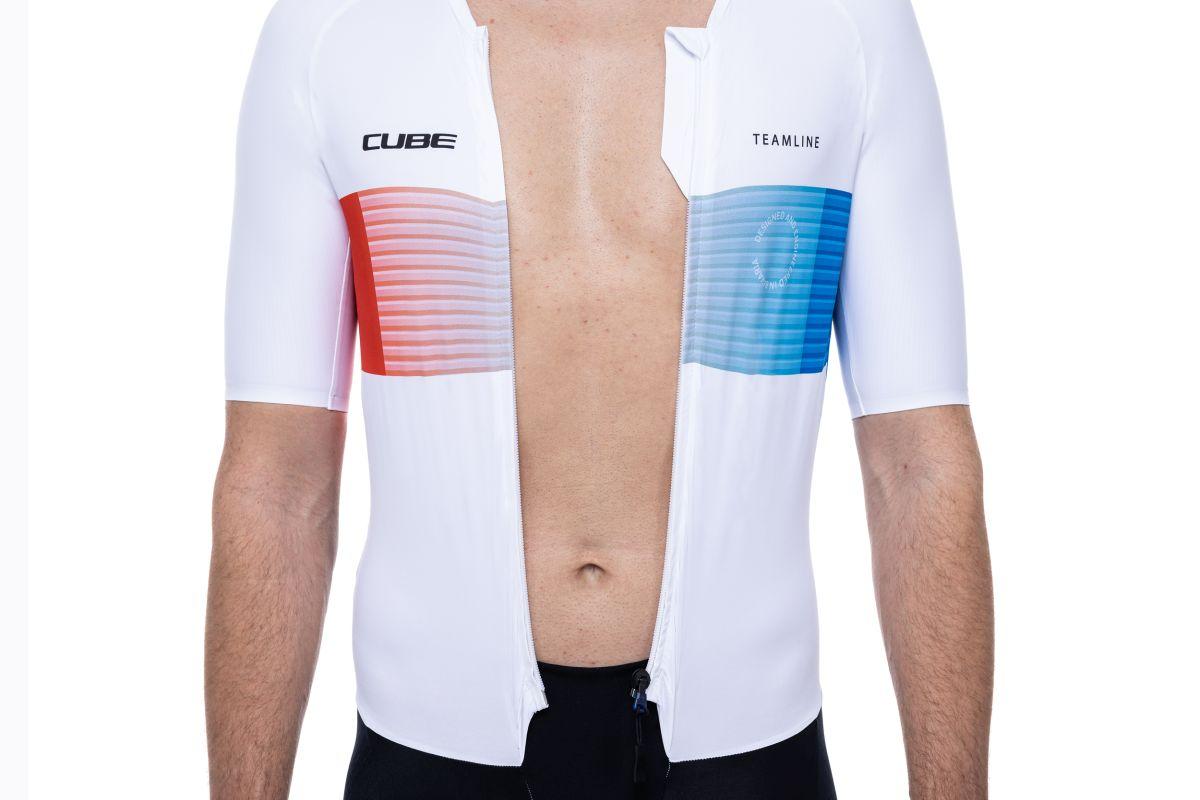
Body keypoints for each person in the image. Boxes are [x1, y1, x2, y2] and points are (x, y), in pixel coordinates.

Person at [206, 0, 994, 797]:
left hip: (748, 742)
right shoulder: (336, 30)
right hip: (430, 741)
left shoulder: (845, 25)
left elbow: (917, 463)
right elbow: (277, 479)